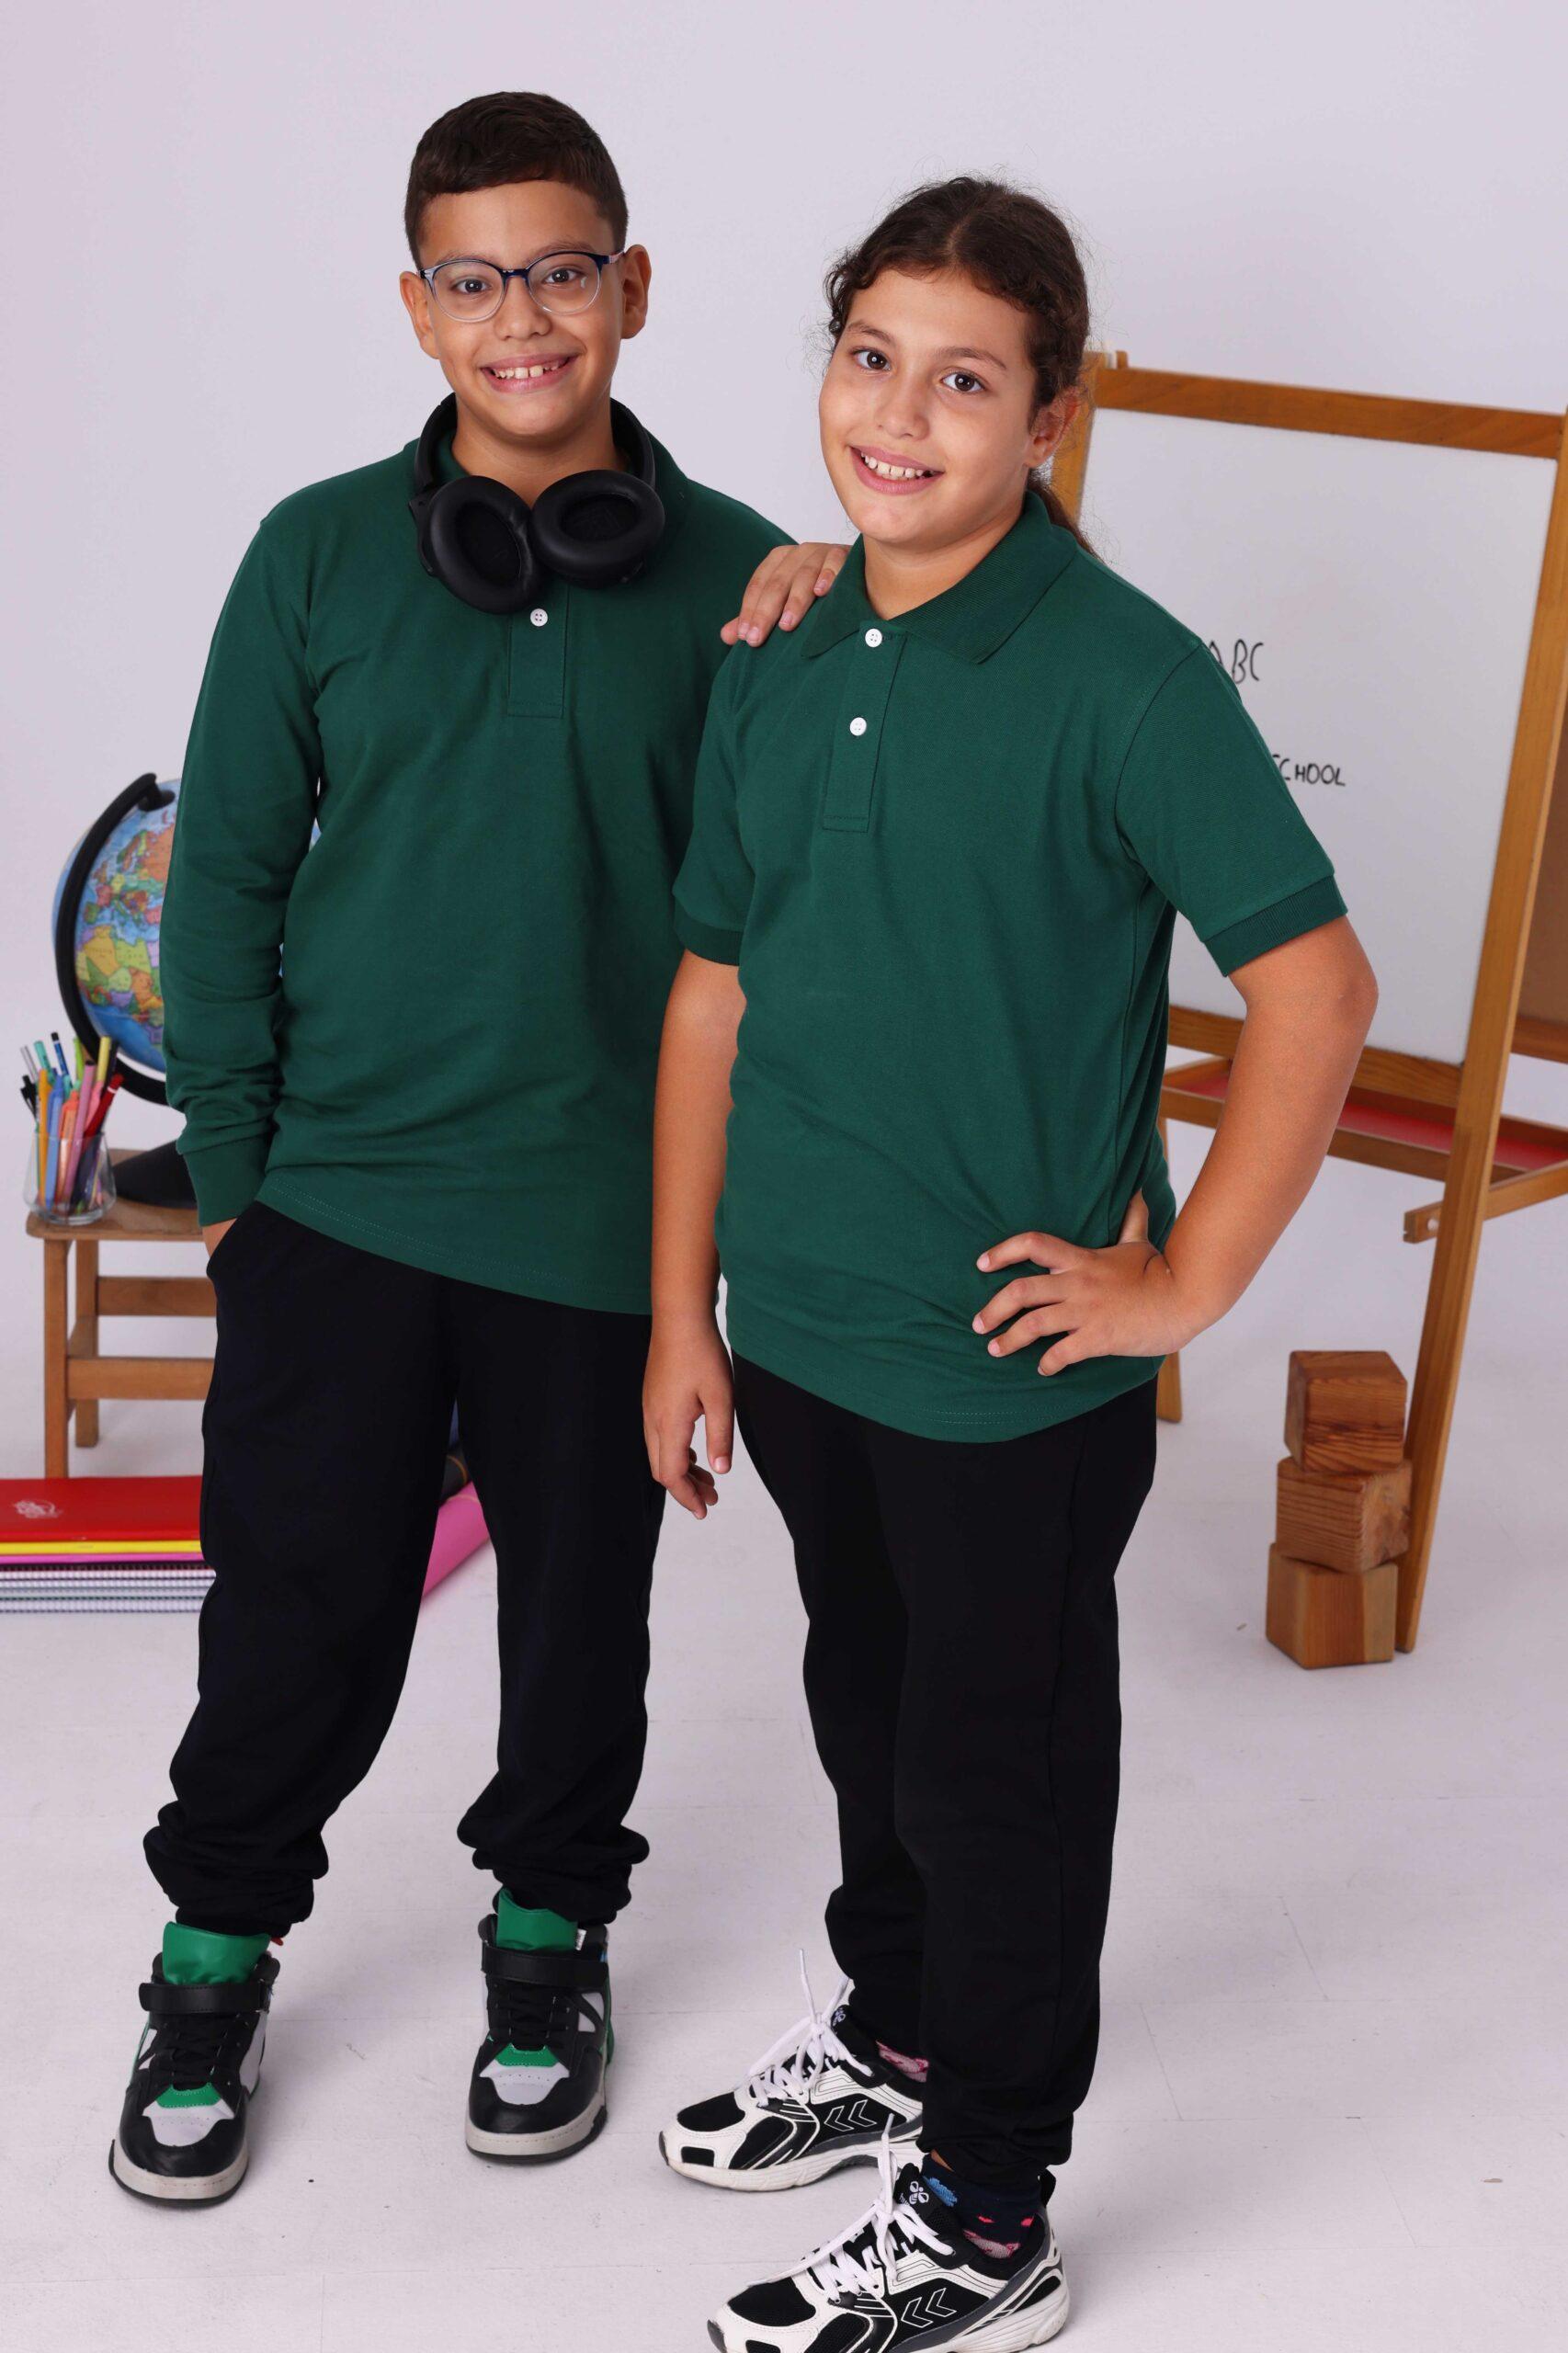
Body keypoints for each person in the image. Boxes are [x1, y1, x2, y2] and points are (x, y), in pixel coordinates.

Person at [645, 176, 1378, 2349]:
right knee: (865, 1710)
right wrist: (682, 1306)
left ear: (1050, 416)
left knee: (1000, 1772)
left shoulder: (1124, 679)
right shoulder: (781, 645)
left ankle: (984, 2207)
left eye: (963, 380)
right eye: (869, 357)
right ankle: (898, 2035)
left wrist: (1185, 1281)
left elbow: (1317, 989)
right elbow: (711, 990)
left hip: (1005, 1362)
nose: (898, 413)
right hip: (804, 1322)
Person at [113, 89, 842, 2207]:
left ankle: (548, 1937)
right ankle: (211, 1952)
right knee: (297, 1601)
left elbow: (783, 916)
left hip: (598, 1214)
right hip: (336, 1197)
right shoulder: (313, 552)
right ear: (417, 306)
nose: (522, 315)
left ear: (633, 284)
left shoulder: (742, 579)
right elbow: (222, 880)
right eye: (474, 277)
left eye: (561, 270)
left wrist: (858, 586)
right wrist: (238, 1185)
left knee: (579, 1618)